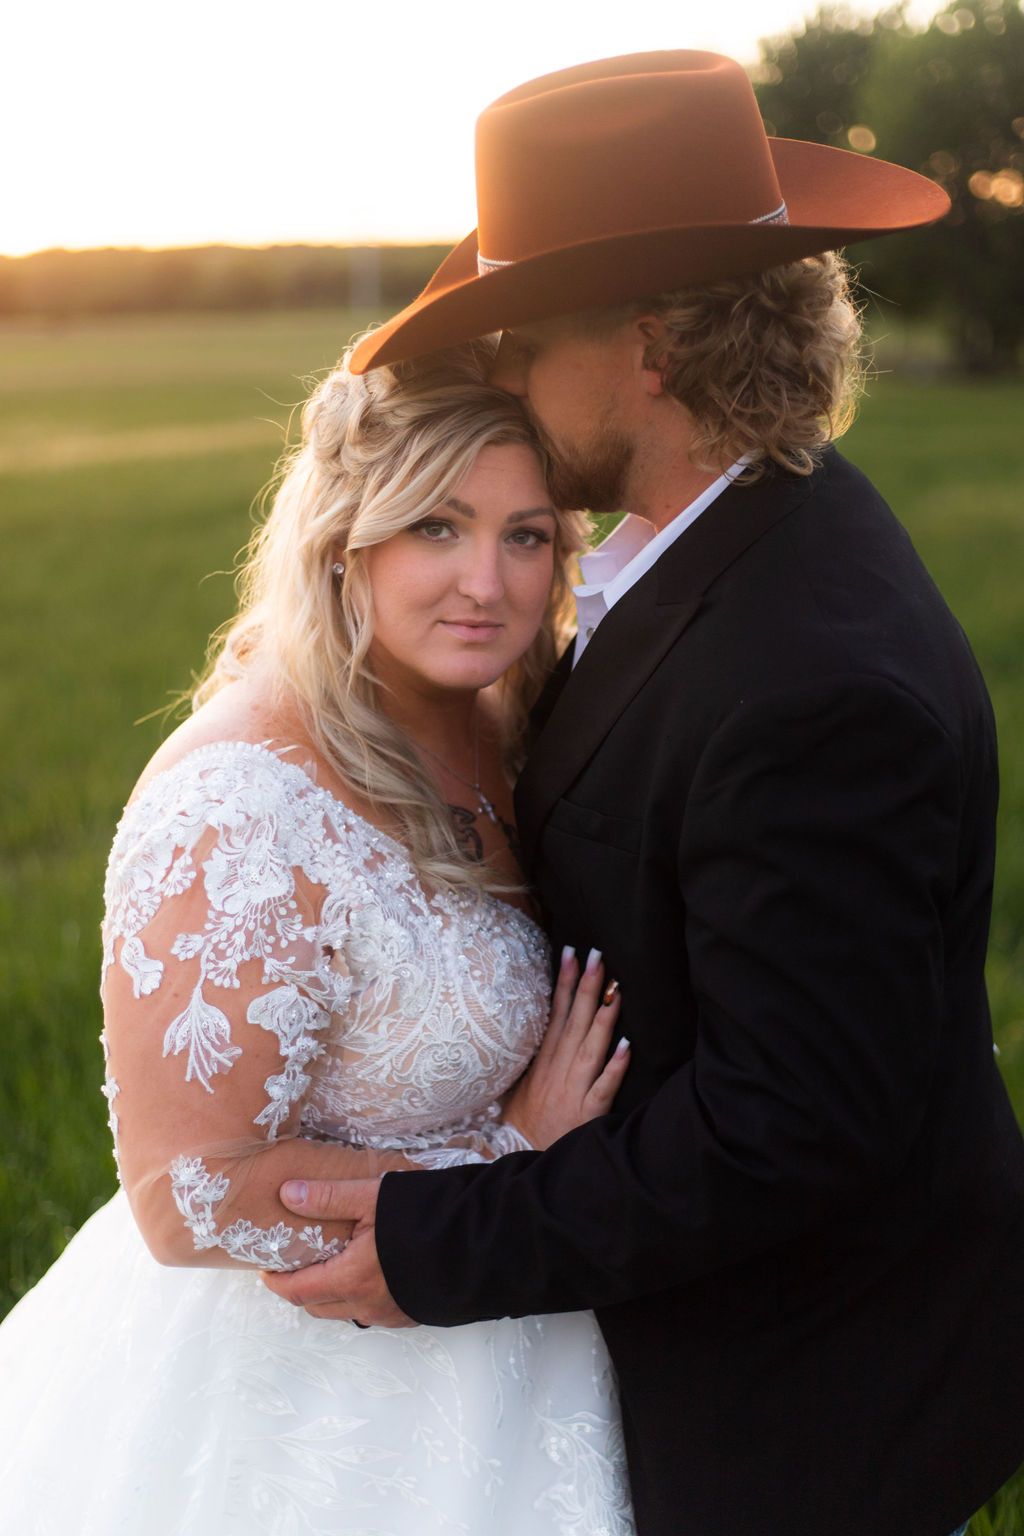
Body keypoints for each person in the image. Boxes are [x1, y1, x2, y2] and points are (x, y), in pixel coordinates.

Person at [262, 50, 1024, 1536]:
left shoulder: (813, 679)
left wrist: (449, 1239)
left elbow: (789, 1124)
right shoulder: (752, 533)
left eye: (518, 344)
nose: (496, 385)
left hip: (811, 1400)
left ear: (652, 345)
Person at [0, 342, 638, 1534]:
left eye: (526, 534)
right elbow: (191, 1195)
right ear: (349, 542)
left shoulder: (508, 718)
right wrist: (505, 1160)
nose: (486, 584)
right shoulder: (240, 800)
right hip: (320, 1397)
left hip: (532, 1330)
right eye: (436, 529)